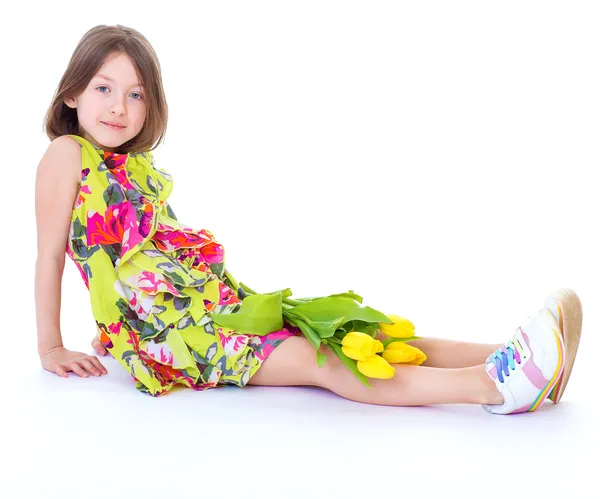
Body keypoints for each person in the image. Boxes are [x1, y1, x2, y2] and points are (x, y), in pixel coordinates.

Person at [35, 24, 583, 415]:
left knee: (352, 332)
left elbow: (137, 258)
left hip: (210, 307)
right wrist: (51, 346)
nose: (119, 107)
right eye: (104, 89)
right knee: (323, 362)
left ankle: (515, 358)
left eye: (135, 94)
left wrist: (117, 322)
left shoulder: (134, 167)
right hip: (184, 336)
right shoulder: (67, 155)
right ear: (72, 93)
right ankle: (493, 387)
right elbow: (53, 254)